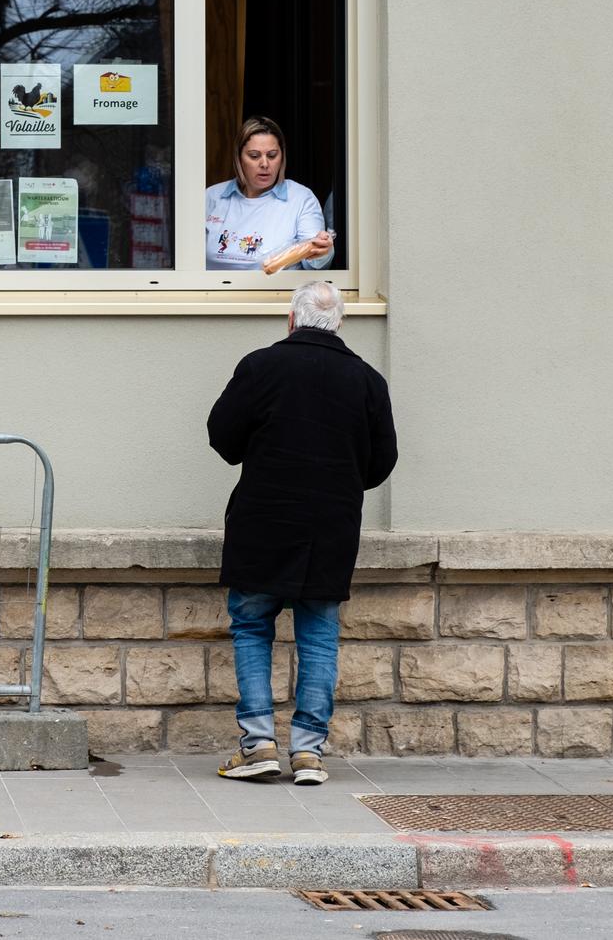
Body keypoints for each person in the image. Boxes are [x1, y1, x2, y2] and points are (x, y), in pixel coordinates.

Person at [205, 281, 397, 785]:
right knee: (319, 636)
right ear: (339, 324)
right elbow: (381, 463)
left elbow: (223, 439)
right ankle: (309, 752)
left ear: (292, 319)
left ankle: (259, 744)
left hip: (263, 520)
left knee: (251, 627)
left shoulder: (260, 367)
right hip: (330, 526)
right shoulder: (367, 379)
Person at [205, 115, 334, 271]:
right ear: (239, 158)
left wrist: (322, 251)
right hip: (211, 293)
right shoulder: (213, 196)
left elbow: (313, 264)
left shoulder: (300, 198)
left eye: (272, 155)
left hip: (276, 293)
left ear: (282, 157)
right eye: (254, 156)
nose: (264, 164)